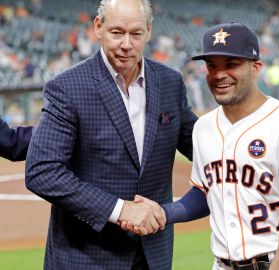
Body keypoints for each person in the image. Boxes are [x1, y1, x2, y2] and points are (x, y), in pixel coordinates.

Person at [25, 0, 197, 269]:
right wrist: (120, 209)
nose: (126, 44)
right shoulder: (68, 87)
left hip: (153, 256)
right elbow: (42, 171)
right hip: (86, 257)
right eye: (117, 32)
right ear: (98, 27)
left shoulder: (169, 82)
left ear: (149, 31)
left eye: (136, 33)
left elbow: (202, 147)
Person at [147, 22, 279, 270]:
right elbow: (205, 192)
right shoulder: (204, 128)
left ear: (255, 67)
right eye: (212, 66)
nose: (219, 74)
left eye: (231, 64)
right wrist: (163, 213)